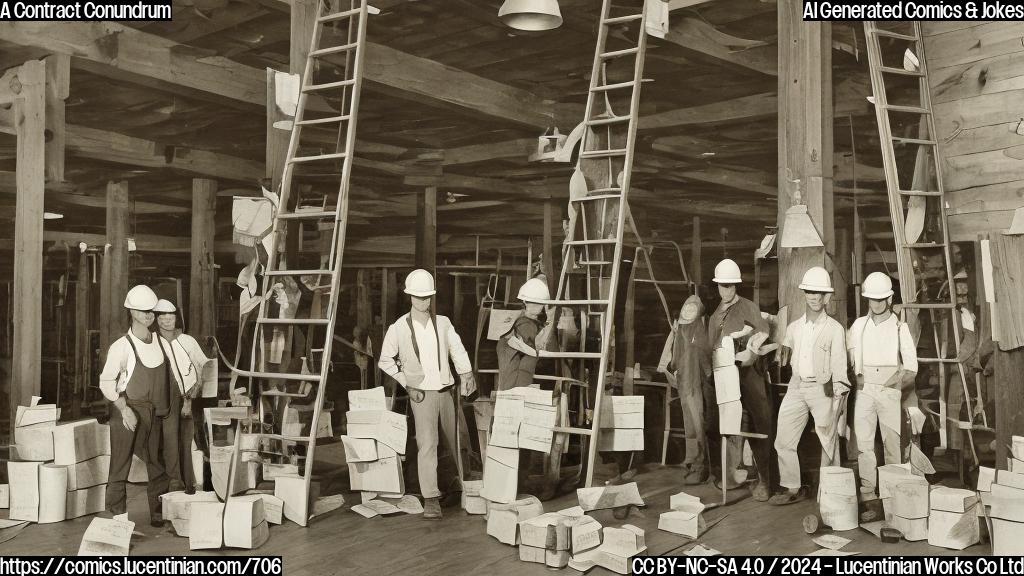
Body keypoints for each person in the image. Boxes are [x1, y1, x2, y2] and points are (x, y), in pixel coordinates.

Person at [379, 269, 476, 520]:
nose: (423, 302)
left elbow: (458, 349)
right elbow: (385, 360)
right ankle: (431, 498)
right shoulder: (399, 327)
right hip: (422, 395)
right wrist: (407, 383)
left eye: (427, 297)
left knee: (457, 441)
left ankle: (465, 488)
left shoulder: (443, 323)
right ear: (410, 296)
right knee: (427, 444)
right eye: (418, 297)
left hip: (446, 391)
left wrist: (466, 374)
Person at [771, 267, 850, 505]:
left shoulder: (834, 329)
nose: (814, 297)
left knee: (829, 439)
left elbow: (839, 364)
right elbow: (783, 354)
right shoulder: (794, 327)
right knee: (783, 439)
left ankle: (831, 489)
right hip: (796, 386)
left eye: (819, 293)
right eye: (810, 292)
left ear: (826, 297)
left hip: (822, 387)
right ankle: (792, 486)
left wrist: (839, 394)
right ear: (803, 294)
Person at [98, 285, 171, 526]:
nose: (150, 315)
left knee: (157, 464)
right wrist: (124, 409)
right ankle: (117, 516)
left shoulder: (162, 342)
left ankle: (158, 513)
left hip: (154, 412)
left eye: (152, 310)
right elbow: (106, 382)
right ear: (132, 312)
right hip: (127, 411)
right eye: (144, 311)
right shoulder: (122, 346)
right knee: (120, 464)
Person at [705, 259, 773, 502]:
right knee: (723, 424)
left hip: (747, 373)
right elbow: (710, 346)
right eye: (723, 286)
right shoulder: (715, 317)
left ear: (736, 286)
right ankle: (731, 475)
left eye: (731, 286)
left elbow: (763, 332)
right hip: (724, 374)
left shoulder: (747, 307)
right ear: (717, 287)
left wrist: (751, 352)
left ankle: (765, 480)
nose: (727, 291)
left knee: (760, 422)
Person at [847, 272, 918, 497]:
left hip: (890, 389)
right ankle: (868, 492)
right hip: (864, 388)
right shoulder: (858, 325)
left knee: (891, 444)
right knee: (865, 445)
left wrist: (892, 386)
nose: (876, 304)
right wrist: (858, 380)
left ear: (889, 299)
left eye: (880, 299)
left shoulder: (900, 328)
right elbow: (849, 357)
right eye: (872, 299)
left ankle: (892, 493)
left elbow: (911, 368)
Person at [153, 299, 213, 494]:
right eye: (162, 317)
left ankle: (194, 484)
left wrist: (194, 393)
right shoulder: (153, 342)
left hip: (190, 397)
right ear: (157, 319)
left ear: (176, 318)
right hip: (164, 399)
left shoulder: (187, 340)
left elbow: (204, 366)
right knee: (168, 442)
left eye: (170, 317)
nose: (167, 321)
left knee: (193, 440)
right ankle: (174, 482)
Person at [657, 295, 711, 485]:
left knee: (698, 423)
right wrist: (671, 369)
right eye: (686, 307)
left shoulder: (701, 329)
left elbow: (706, 356)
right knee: (689, 423)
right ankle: (691, 460)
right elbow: (670, 356)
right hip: (684, 383)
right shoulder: (678, 328)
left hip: (697, 383)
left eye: (693, 308)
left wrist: (708, 375)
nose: (688, 311)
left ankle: (701, 465)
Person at [497, 277, 556, 391]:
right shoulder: (524, 323)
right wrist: (549, 322)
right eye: (534, 303)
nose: (539, 306)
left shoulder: (534, 323)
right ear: (525, 302)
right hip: (516, 375)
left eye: (540, 303)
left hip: (522, 375)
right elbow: (538, 347)